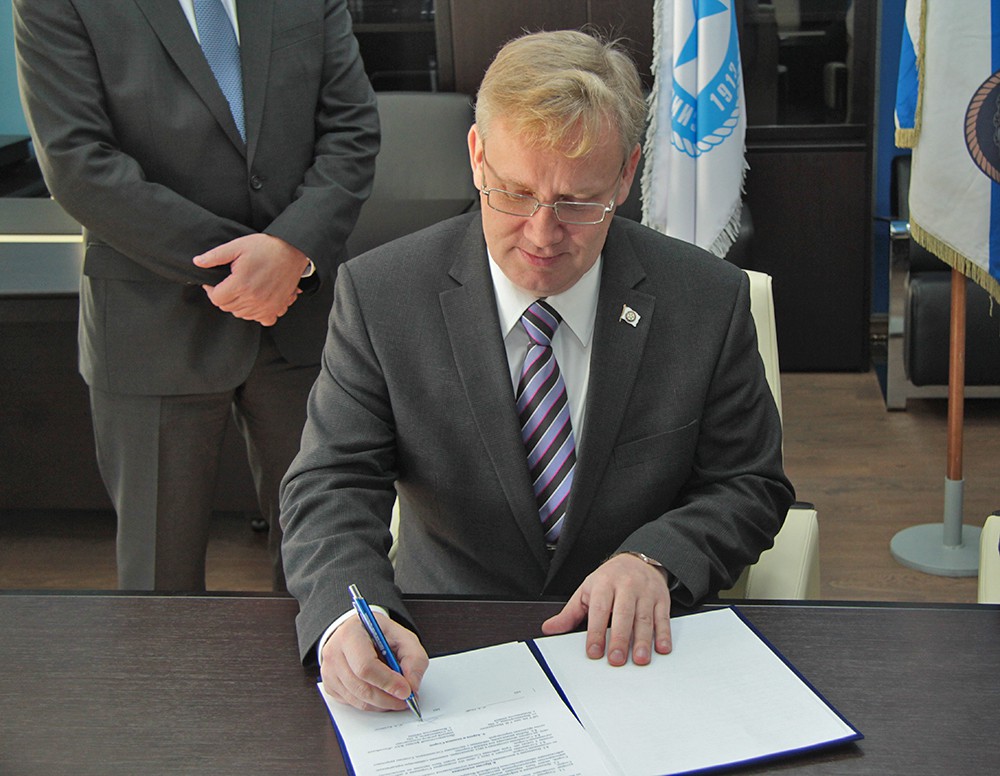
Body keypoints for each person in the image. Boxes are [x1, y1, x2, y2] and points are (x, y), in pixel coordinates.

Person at [280, 29, 794, 713]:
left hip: (640, 649)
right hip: (442, 648)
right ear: (476, 157)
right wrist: (351, 614)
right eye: (515, 194)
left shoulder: (706, 300)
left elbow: (749, 483)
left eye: (578, 203)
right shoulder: (382, 296)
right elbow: (332, 481)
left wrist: (657, 560)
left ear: (626, 174)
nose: (543, 234)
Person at [13, 0, 379, 592]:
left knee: (327, 561)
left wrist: (291, 249)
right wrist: (247, 266)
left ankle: (324, 659)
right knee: (161, 582)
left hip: (300, 318)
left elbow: (352, 128)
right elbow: (77, 162)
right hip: (151, 318)